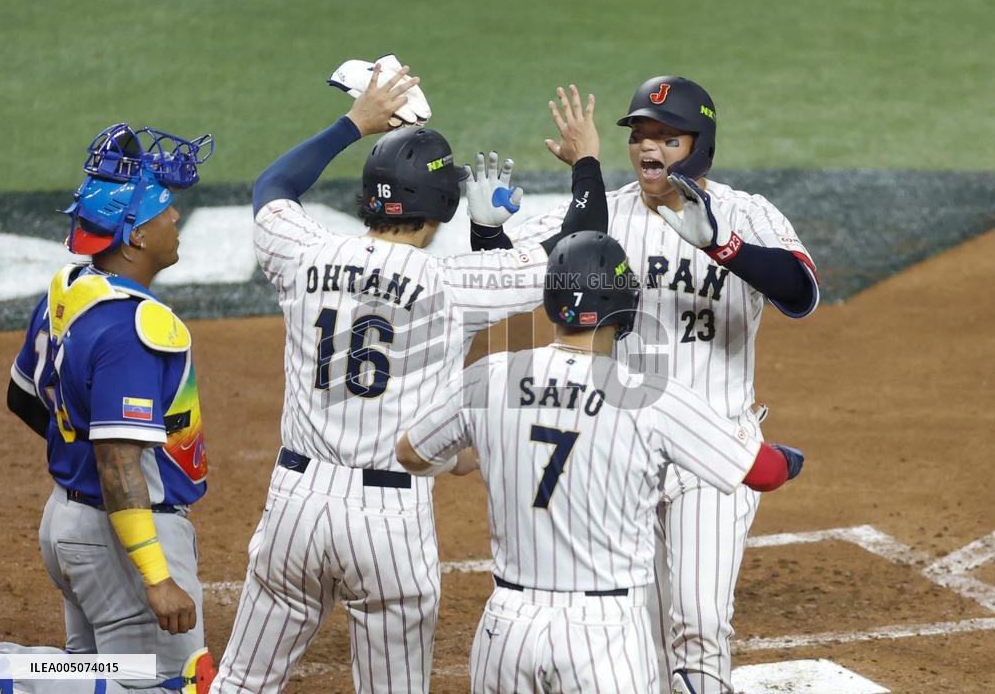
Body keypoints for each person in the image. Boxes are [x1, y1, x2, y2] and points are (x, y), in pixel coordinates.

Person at [210, 64, 605, 694]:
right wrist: (585, 164)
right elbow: (583, 240)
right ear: (444, 206)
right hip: (388, 517)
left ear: (368, 195)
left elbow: (274, 185)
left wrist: (353, 123)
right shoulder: (454, 283)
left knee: (239, 680)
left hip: (294, 503)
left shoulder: (304, 252)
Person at [473, 75, 819, 694]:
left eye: (668, 137)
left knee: (700, 621)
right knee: (636, 631)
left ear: (701, 144)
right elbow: (516, 277)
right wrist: (488, 233)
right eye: (640, 135)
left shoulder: (747, 213)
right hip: (623, 450)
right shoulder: (607, 212)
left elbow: (800, 293)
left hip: (713, 450)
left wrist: (725, 246)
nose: (648, 148)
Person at [396, 227, 804, 694]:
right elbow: (765, 472)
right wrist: (790, 459)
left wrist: (472, 455)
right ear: (624, 307)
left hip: (507, 628)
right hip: (605, 636)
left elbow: (411, 451)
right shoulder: (648, 395)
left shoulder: (490, 376)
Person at [0, 123, 216, 694]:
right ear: (134, 237)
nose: (175, 221)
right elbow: (119, 463)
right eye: (165, 211)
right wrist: (154, 574)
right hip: (121, 535)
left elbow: (23, 395)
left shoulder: (71, 287)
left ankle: (23, 673)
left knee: (100, 675)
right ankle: (11, 673)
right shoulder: (134, 328)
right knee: (168, 686)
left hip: (72, 521)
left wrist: (79, 455)